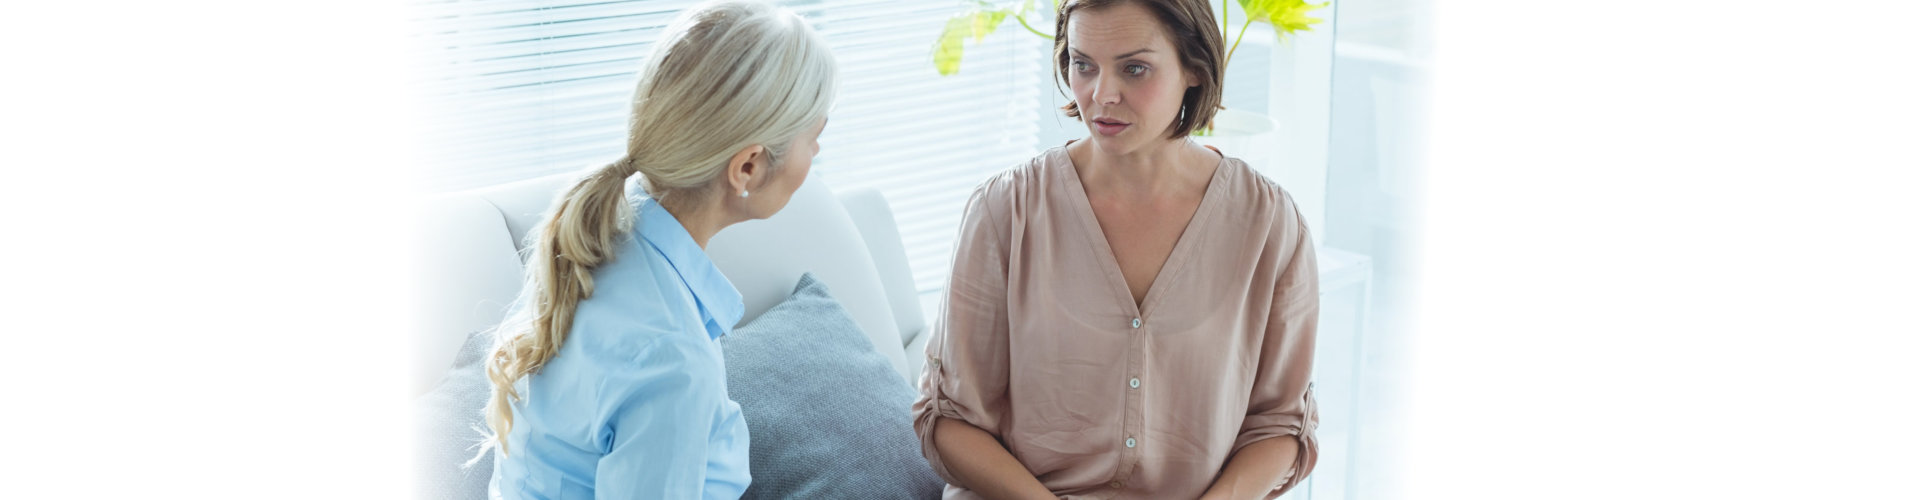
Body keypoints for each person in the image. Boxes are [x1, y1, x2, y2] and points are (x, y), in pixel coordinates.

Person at [911, 0, 1319, 498]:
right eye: (1083, 65)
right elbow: (949, 419)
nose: (1101, 94)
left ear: (1194, 68)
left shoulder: (1268, 225)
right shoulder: (1005, 212)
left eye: (1135, 68)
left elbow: (1280, 425)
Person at [477, 1, 836, 498]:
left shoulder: (600, 231)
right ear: (748, 167)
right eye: (814, 136)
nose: (815, 153)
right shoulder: (671, 359)